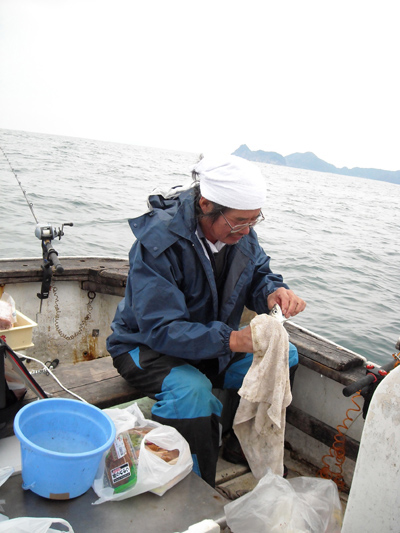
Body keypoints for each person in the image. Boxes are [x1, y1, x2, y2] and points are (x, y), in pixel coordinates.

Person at [107, 154, 306, 487]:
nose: (246, 231)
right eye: (240, 222)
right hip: (144, 347)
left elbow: (258, 273)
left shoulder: (239, 233)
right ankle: (195, 488)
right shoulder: (158, 242)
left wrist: (273, 292)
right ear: (206, 204)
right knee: (193, 390)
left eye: (254, 222)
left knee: (288, 355)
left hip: (209, 346)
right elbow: (160, 328)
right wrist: (231, 340)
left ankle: (242, 446)